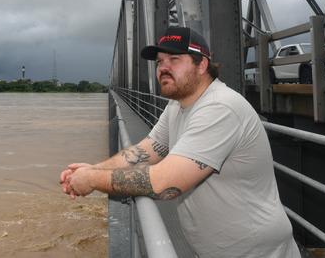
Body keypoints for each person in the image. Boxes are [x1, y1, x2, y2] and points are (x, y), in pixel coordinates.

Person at [59, 26, 301, 258]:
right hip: (216, 249)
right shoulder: (178, 104)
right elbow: (146, 150)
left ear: (202, 64)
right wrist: (93, 169)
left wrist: (92, 180)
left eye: (174, 60)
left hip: (255, 252)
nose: (163, 67)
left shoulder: (220, 107)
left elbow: (164, 184)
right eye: (159, 62)